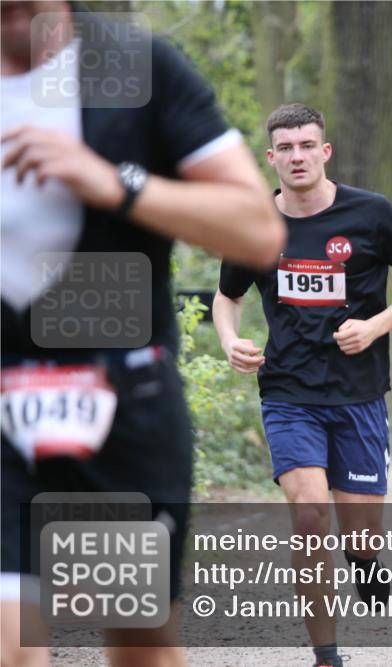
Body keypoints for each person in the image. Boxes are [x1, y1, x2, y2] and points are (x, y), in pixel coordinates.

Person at [1, 3, 285, 666]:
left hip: (119, 403)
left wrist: (116, 184)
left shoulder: (132, 67)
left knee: (138, 646)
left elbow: (258, 229)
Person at [213, 103, 392, 667]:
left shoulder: (371, 213)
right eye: (285, 149)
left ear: (324, 151)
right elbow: (228, 297)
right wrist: (229, 340)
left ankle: (364, 563)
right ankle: (326, 655)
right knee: (310, 514)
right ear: (271, 158)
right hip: (289, 393)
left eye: (306, 146)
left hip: (359, 394)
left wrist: (376, 325)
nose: (296, 156)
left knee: (360, 537)